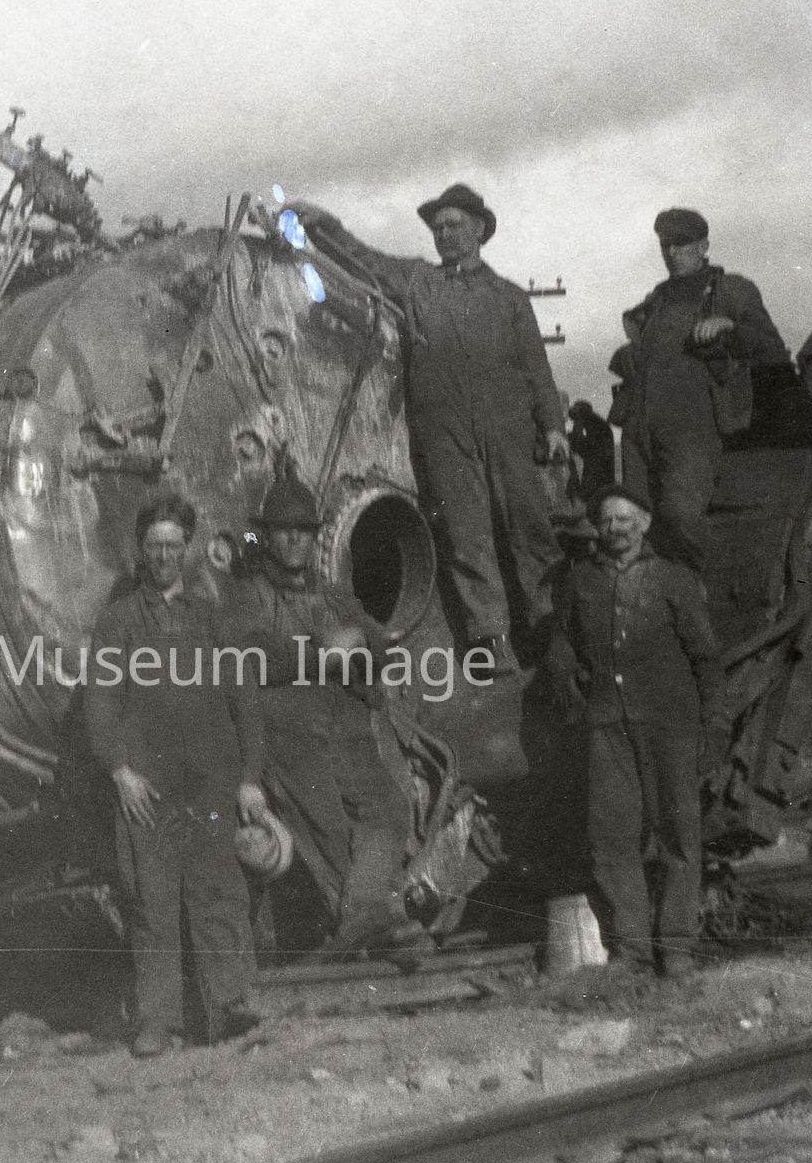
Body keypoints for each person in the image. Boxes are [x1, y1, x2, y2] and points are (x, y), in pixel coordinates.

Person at [285, 186, 567, 664]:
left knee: (529, 525)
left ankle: (549, 630)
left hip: (508, 428)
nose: (444, 234)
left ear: (480, 230)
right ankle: (491, 641)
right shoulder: (418, 282)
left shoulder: (510, 298)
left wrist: (554, 427)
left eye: (454, 225)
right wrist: (322, 225)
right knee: (465, 532)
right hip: (444, 433)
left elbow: (537, 369)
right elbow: (364, 259)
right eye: (438, 228)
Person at [84, 493, 270, 1055]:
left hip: (211, 783)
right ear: (140, 551)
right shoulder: (118, 621)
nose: (163, 555)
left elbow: (245, 701)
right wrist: (119, 770)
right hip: (148, 788)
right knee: (152, 902)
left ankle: (229, 1006)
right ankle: (158, 1022)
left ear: (187, 549)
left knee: (219, 894)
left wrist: (250, 777)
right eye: (154, 545)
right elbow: (100, 702)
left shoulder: (213, 619)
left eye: (173, 545)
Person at [223, 466, 425, 966]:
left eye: (305, 530)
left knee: (389, 808)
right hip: (289, 733)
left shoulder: (332, 593)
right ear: (266, 536)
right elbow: (249, 658)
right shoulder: (247, 594)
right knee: (328, 829)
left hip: (346, 726)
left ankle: (364, 918)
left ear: (317, 537)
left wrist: (360, 641)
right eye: (283, 530)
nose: (295, 539)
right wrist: (322, 651)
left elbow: (378, 642)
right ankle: (371, 922)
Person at [556, 485, 724, 979]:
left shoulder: (673, 579)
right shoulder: (580, 581)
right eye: (607, 521)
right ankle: (633, 951)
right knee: (612, 839)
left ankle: (677, 949)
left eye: (625, 519)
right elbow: (562, 643)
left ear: (646, 524)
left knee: (678, 836)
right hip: (608, 728)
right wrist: (564, 676)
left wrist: (715, 726)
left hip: (670, 726)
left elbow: (706, 660)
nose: (616, 529)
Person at [612, 208, 790, 572]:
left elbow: (771, 348)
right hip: (640, 431)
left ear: (703, 246)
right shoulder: (655, 302)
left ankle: (707, 585)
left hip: (694, 429)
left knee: (680, 514)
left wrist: (730, 327)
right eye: (666, 245)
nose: (672, 252)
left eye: (682, 244)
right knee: (635, 528)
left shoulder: (731, 291)